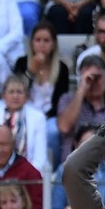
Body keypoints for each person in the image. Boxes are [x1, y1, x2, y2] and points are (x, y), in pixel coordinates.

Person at [56, 55, 105, 165]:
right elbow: (64, 127)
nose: (93, 82)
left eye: (97, 77)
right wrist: (82, 89)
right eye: (88, 78)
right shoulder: (68, 100)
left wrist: (104, 172)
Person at [15, 22, 70, 161]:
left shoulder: (62, 68)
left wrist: (45, 117)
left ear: (53, 44)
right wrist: (31, 71)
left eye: (46, 40)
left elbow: (62, 101)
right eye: (38, 40)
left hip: (50, 116)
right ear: (32, 43)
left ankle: (52, 169)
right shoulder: (21, 63)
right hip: (25, 113)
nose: (42, 44)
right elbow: (17, 93)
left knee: (52, 131)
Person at [0, 73, 49, 170]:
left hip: (29, 173)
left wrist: (27, 175)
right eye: (11, 92)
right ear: (3, 95)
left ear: (27, 96)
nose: (15, 96)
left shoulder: (38, 117)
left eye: (19, 92)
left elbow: (40, 158)